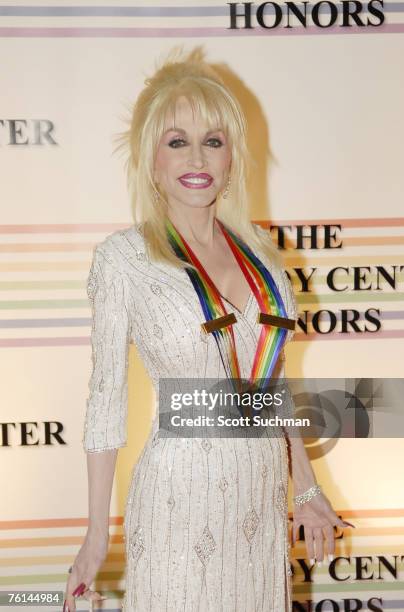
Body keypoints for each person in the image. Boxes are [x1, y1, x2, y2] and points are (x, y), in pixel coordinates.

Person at [63, 46, 354, 612]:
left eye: (212, 141)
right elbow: (105, 402)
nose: (196, 156)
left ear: (230, 160)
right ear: (152, 161)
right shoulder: (122, 259)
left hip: (260, 498)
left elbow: (270, 389)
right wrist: (97, 534)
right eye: (177, 141)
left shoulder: (265, 260)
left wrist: (308, 489)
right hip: (178, 496)